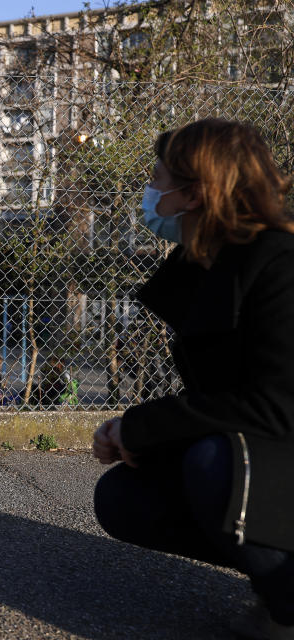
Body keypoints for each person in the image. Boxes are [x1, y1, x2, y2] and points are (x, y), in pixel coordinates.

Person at [92, 119, 294, 638]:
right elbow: (223, 397)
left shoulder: (281, 265)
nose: (150, 190)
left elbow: (276, 406)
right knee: (126, 498)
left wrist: (146, 426)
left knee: (216, 465)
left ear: (195, 193)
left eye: (158, 177)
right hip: (274, 452)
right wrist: (143, 436)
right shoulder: (208, 263)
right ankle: (276, 583)